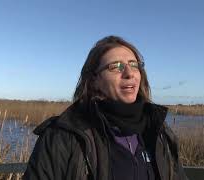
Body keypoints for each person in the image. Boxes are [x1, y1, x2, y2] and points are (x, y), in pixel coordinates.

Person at [23, 36, 188, 180]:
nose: (129, 73)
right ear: (95, 80)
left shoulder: (158, 131)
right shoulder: (64, 136)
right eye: (116, 67)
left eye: (134, 65)